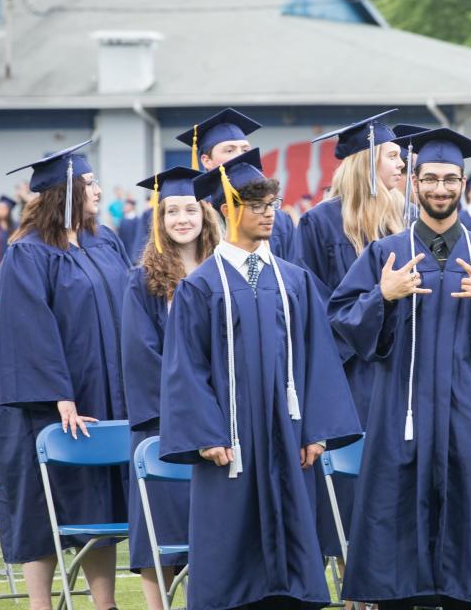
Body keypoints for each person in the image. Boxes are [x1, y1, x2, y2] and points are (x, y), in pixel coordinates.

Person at [329, 127, 471, 609]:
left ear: (463, 184)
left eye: (451, 179)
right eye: (431, 179)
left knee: (466, 523)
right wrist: (383, 295)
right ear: (414, 183)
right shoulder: (386, 255)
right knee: (395, 522)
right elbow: (341, 323)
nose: (441, 188)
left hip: (469, 413)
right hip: (402, 412)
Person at [159, 148, 362, 610]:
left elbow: (318, 358)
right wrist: (206, 433)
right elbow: (184, 367)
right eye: (256, 206)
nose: (269, 214)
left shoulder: (294, 281)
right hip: (229, 438)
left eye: (271, 205)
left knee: (292, 543)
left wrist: (316, 430)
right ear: (226, 208)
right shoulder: (201, 286)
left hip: (289, 436)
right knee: (230, 541)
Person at [0, 140, 131, 610]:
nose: (96, 191)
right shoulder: (27, 254)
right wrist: (59, 393)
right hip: (51, 403)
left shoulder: (105, 240)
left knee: (99, 495)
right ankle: (40, 604)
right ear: (63, 193)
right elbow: (28, 329)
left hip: (104, 389)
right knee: (41, 498)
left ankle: (105, 603)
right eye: (88, 184)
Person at [295, 110, 406, 567]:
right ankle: (354, 588)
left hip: (405, 371)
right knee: (350, 486)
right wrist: (371, 316)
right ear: (367, 162)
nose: (403, 165)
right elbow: (316, 308)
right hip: (351, 376)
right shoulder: (319, 223)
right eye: (394, 156)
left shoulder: (409, 219)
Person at [121, 166, 217, 610]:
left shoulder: (223, 272)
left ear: (206, 214)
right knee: (160, 522)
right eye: (172, 211)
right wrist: (192, 403)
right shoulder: (142, 281)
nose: (182, 218)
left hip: (219, 421)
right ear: (159, 220)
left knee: (214, 527)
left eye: (190, 209)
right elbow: (143, 355)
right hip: (165, 419)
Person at [172, 107, 297, 261]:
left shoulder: (279, 221)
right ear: (206, 161)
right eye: (229, 150)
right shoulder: (195, 220)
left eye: (245, 150)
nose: (240, 156)